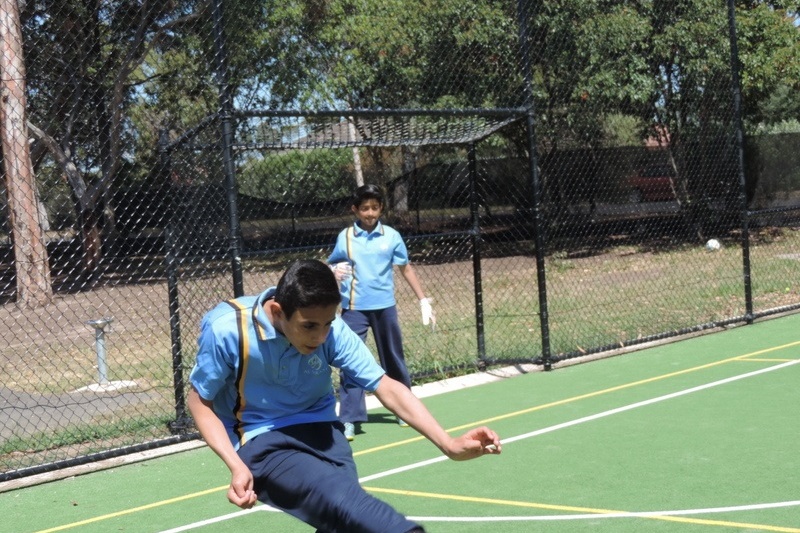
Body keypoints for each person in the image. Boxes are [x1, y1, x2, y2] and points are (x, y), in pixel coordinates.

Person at [187, 259, 502, 533]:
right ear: (278, 311)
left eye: (327, 324)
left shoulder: (330, 330)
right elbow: (199, 401)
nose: (320, 336)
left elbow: (386, 386)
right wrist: (235, 465)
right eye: (309, 325)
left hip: (323, 430)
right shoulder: (229, 330)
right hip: (260, 440)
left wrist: (447, 443)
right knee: (343, 503)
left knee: (346, 523)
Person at [328, 184, 434, 441]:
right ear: (355, 209)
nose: (370, 213)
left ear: (381, 209)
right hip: (355, 310)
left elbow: (405, 268)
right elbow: (334, 264)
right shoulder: (346, 237)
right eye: (364, 208)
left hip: (385, 308)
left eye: (375, 208)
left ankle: (404, 409)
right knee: (351, 362)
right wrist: (334, 272)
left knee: (393, 358)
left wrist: (423, 300)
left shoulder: (391, 236)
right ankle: (350, 418)